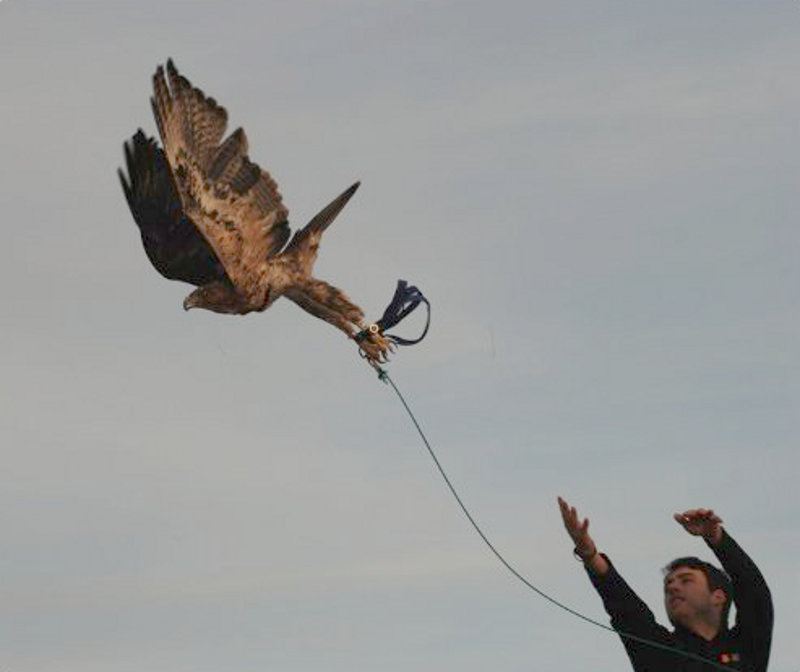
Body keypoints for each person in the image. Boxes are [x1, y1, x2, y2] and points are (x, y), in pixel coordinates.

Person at [557, 497, 773, 672]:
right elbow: (629, 613)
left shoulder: (746, 648)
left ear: (718, 596)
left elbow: (755, 593)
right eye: (668, 584)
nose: (672, 587)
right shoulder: (661, 652)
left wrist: (716, 537)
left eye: (686, 580)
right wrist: (590, 556)